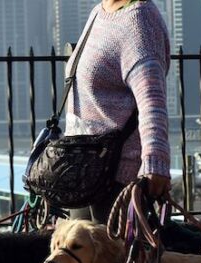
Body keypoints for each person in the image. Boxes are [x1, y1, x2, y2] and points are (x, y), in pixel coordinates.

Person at [66, 0, 171, 224]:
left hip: (115, 176)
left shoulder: (140, 20)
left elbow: (152, 101)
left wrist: (155, 161)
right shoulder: (100, 12)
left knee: (116, 256)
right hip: (84, 171)